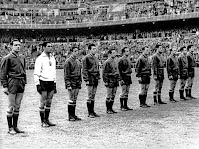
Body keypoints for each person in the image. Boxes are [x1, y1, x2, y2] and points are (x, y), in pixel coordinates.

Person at [0, 39, 26, 134]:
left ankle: (15, 126)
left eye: (19, 45)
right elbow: (3, 73)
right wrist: (5, 86)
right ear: (11, 46)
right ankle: (10, 128)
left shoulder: (22, 57)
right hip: (12, 82)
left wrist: (24, 81)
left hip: (21, 83)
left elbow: (24, 71)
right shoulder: (7, 58)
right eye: (15, 45)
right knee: (11, 106)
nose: (18, 46)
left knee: (18, 105)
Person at [33, 41, 57, 127]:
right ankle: (42, 121)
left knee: (49, 102)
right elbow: (36, 73)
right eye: (48, 46)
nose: (50, 47)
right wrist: (37, 84)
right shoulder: (40, 58)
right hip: (43, 81)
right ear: (44, 47)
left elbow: (54, 71)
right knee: (42, 102)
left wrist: (54, 82)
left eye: (51, 46)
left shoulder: (53, 58)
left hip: (51, 81)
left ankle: (47, 120)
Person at [82, 43, 100, 118]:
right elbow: (84, 69)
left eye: (95, 49)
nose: (94, 50)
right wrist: (86, 79)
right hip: (90, 77)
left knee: (93, 95)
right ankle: (90, 112)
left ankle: (92, 111)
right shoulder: (86, 58)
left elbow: (98, 68)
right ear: (89, 50)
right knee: (89, 95)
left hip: (95, 77)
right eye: (93, 49)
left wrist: (98, 77)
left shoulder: (96, 58)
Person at [64, 47, 82, 121]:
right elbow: (66, 74)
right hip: (71, 81)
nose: (76, 52)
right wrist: (68, 84)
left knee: (75, 98)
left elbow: (79, 72)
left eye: (77, 51)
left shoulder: (78, 61)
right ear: (71, 52)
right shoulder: (68, 61)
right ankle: (70, 115)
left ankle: (73, 114)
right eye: (74, 51)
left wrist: (80, 80)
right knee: (71, 99)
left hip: (77, 82)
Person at [102, 48, 119, 114]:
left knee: (113, 95)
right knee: (109, 95)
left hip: (115, 80)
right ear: (109, 54)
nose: (114, 54)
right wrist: (106, 81)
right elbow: (104, 73)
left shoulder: (115, 61)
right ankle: (108, 109)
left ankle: (111, 108)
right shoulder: (107, 62)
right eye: (113, 53)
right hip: (110, 80)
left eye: (115, 53)